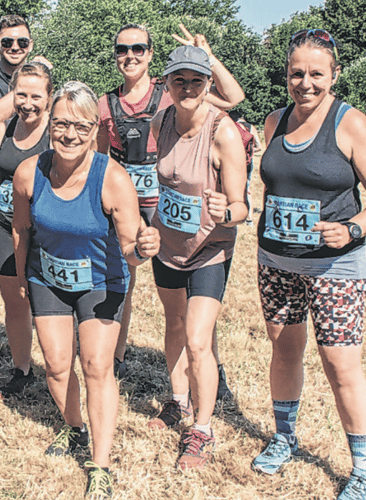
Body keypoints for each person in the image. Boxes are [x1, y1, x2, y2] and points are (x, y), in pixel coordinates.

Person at [13, 81, 160, 498]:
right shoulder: (30, 172)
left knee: (97, 367)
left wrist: (143, 248)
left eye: (80, 126)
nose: (69, 134)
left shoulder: (111, 178)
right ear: (49, 125)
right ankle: (74, 427)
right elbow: (21, 229)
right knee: (58, 368)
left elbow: (131, 248)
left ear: (95, 129)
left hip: (101, 282)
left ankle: (101, 463)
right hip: (48, 280)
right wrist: (24, 279)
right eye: (60, 124)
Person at [96, 24, 245, 397]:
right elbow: (102, 158)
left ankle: (211, 379)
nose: (130, 55)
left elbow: (235, 98)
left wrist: (206, 57)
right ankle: (126, 363)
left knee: (198, 325)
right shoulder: (120, 107)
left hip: (196, 230)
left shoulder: (190, 108)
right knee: (148, 301)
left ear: (150, 55)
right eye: (122, 49)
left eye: (139, 48)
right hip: (150, 219)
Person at [250, 30, 366, 500]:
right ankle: (284, 438)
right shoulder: (273, 121)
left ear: (335, 74)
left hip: (334, 265)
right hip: (276, 261)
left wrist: (354, 228)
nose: (305, 82)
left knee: (341, 365)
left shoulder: (351, 123)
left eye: (316, 73)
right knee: (284, 351)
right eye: (297, 73)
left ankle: (360, 466)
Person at [146, 45, 248, 470]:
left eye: (196, 80)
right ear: (166, 84)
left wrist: (229, 209)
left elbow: (242, 207)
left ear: (209, 83)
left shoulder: (222, 131)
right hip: (168, 245)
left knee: (197, 338)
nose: (187, 88)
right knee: (173, 324)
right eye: (179, 80)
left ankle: (202, 429)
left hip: (209, 249)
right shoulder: (161, 119)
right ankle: (178, 401)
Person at [0, 61, 52, 396]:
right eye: (20, 94)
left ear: (49, 98)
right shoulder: (2, 131)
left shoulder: (58, 134)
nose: (27, 103)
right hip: (3, 228)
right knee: (15, 302)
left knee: (47, 303)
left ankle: (56, 367)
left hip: (43, 233)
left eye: (35, 96)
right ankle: (22, 369)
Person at [0, 14, 52, 152]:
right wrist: (30, 81)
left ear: (30, 45)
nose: (15, 47)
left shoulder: (39, 76)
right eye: (7, 42)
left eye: (22, 42)